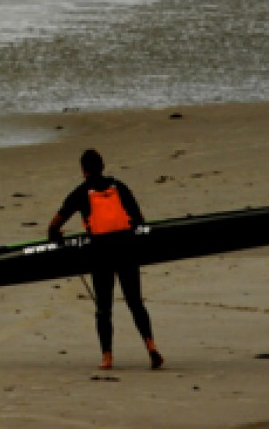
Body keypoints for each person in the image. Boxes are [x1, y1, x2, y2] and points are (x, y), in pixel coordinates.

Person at [47, 148, 163, 370]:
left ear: (84, 171)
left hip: (100, 253)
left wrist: (58, 239)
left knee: (103, 307)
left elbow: (54, 225)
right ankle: (151, 346)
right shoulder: (119, 187)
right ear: (102, 166)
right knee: (135, 302)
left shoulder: (81, 192)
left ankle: (107, 357)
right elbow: (138, 220)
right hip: (126, 250)